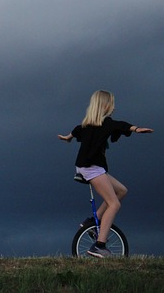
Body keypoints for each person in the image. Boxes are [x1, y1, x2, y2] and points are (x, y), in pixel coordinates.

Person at [58, 90, 153, 258]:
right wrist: (137, 129)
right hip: (91, 168)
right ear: (105, 106)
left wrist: (67, 137)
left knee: (122, 190)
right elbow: (121, 125)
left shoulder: (86, 126)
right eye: (112, 104)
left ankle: (92, 221)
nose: (114, 108)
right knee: (114, 204)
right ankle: (99, 246)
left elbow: (76, 131)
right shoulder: (107, 123)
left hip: (88, 167)